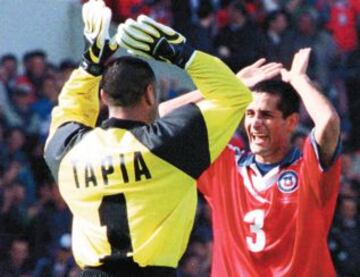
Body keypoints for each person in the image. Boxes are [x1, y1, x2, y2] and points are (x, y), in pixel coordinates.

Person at [43, 0, 252, 275]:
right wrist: (183, 55)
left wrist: (89, 65)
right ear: (151, 94)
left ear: (104, 97)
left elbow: (70, 109)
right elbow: (235, 96)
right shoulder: (170, 143)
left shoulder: (66, 152)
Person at [160, 48, 341, 276]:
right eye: (250, 114)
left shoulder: (309, 171)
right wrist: (231, 85)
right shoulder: (224, 166)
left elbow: (328, 121)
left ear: (292, 122)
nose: (255, 123)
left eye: (266, 115)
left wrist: (299, 79)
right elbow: (166, 116)